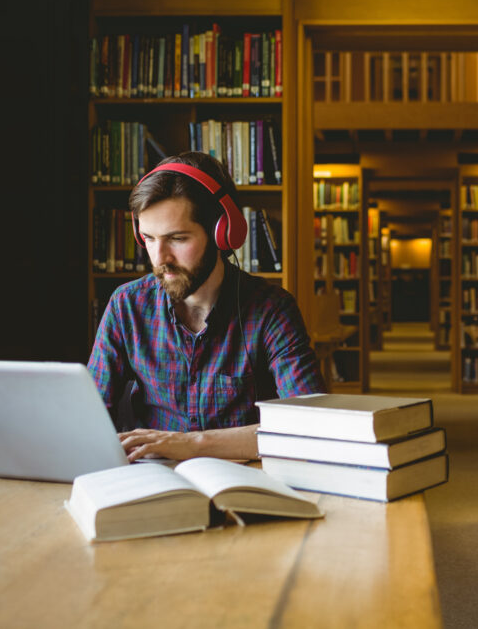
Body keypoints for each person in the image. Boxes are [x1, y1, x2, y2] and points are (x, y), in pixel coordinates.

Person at [88, 151, 326, 462]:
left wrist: (192, 444)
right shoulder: (126, 306)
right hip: (153, 480)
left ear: (222, 234)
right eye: (148, 238)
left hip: (244, 480)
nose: (160, 259)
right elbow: (89, 418)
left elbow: (313, 426)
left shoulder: (272, 310)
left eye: (177, 238)